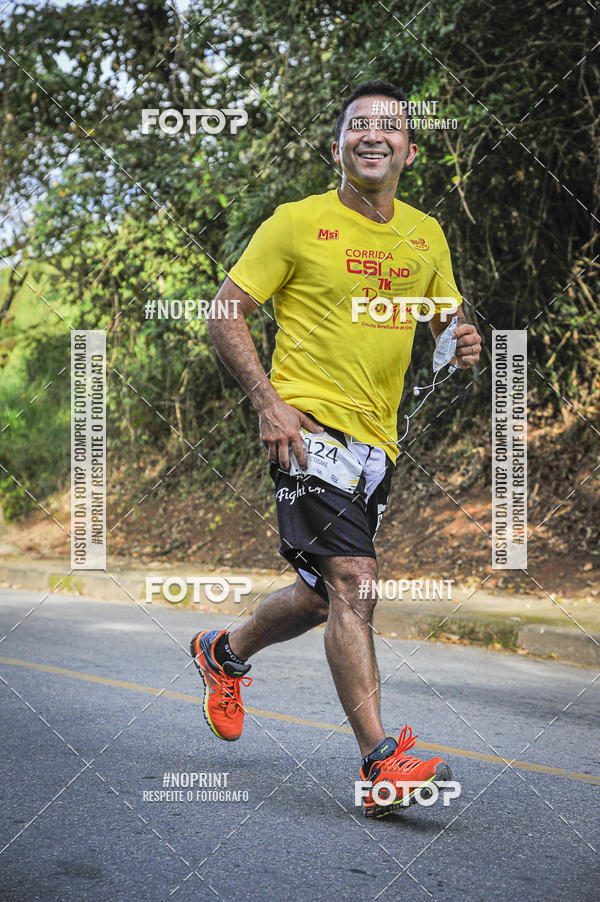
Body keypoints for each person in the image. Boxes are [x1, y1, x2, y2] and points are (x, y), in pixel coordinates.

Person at [191, 79, 482, 818]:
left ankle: (222, 653)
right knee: (354, 580)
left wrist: (460, 344)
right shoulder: (296, 223)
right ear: (338, 146)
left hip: (376, 447)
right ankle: (382, 762)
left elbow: (444, 330)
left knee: (323, 597)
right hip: (306, 432)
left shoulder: (426, 235)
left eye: (389, 127)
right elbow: (225, 312)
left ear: (409, 152)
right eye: (358, 126)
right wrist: (269, 402)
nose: (373, 136)